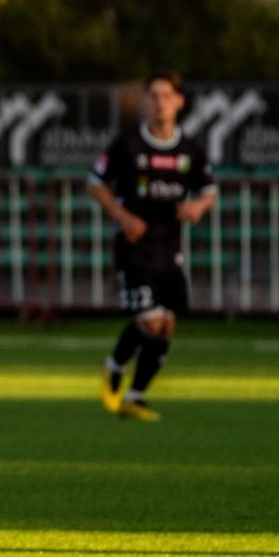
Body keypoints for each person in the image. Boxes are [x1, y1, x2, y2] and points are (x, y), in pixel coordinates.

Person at [87, 70, 216, 421]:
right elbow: (95, 183)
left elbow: (209, 191)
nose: (160, 102)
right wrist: (121, 215)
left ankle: (135, 396)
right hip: (135, 247)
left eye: (166, 95)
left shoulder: (190, 149)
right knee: (151, 320)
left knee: (167, 326)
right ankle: (114, 365)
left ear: (179, 102)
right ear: (144, 101)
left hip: (170, 248)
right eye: (154, 95)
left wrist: (196, 208)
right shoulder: (127, 145)